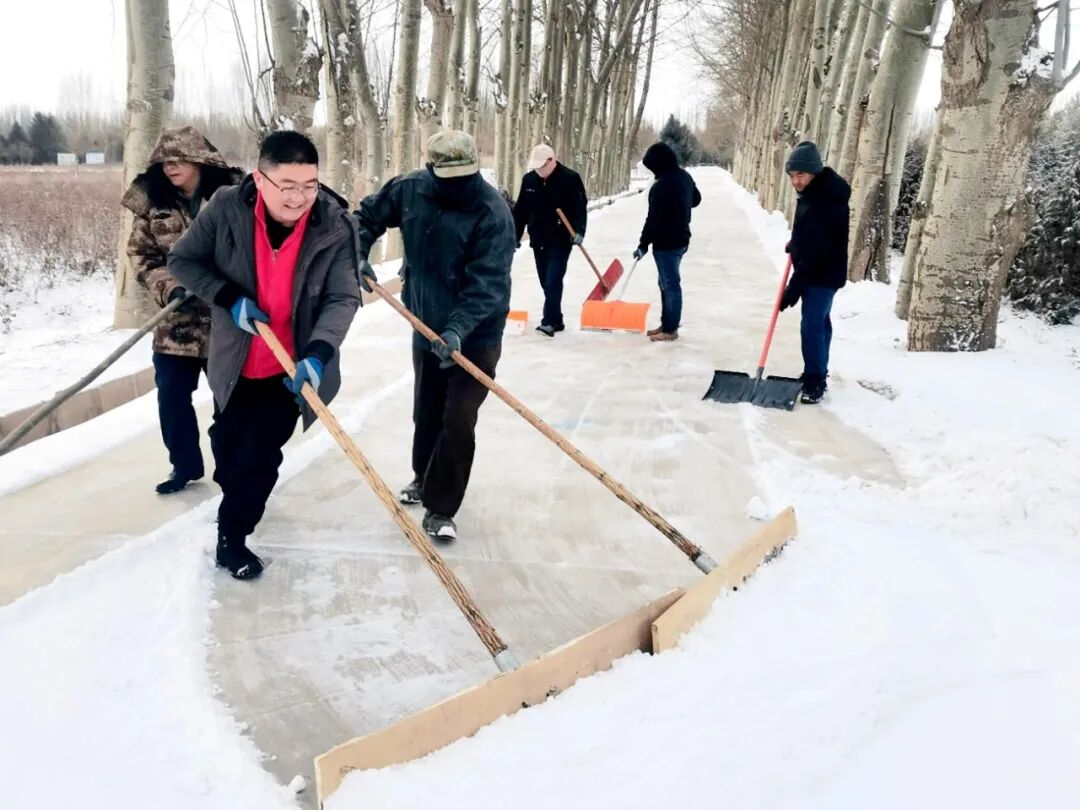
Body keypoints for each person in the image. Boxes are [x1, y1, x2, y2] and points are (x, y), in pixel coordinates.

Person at [168, 131, 365, 579]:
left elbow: (343, 297)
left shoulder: (335, 224)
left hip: (292, 367)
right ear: (260, 179)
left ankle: (232, 538)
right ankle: (237, 494)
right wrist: (227, 297)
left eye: (309, 185)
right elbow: (183, 260)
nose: (299, 198)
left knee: (259, 457)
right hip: (234, 362)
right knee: (229, 448)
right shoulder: (226, 208)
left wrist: (318, 353)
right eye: (287, 186)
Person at [352, 130, 514, 542]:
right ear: (432, 170)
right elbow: (365, 217)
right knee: (427, 411)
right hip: (425, 323)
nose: (458, 187)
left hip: (476, 335)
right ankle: (423, 478)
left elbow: (488, 284)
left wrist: (457, 329)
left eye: (465, 177)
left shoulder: (492, 212)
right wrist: (358, 252)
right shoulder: (410, 190)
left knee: (458, 418)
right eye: (449, 179)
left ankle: (441, 507)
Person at [120, 126, 243, 495]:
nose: (170, 167)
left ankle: (233, 469)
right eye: (164, 162)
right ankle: (184, 464)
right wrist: (169, 285)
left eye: (178, 160)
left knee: (230, 399)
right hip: (177, 321)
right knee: (171, 395)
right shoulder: (154, 205)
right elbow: (142, 256)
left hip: (226, 318)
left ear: (200, 161)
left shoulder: (232, 198)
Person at [779, 140, 850, 405]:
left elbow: (818, 248)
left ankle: (815, 380)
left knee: (811, 325)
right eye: (791, 175)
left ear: (814, 171)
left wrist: (793, 289)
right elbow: (810, 233)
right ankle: (818, 370)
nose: (795, 181)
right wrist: (796, 244)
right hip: (818, 268)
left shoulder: (825, 199)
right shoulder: (815, 191)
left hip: (822, 272)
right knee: (819, 322)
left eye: (800, 174)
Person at [512, 143, 588, 338]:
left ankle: (550, 321)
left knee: (553, 279)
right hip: (538, 238)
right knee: (545, 280)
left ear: (552, 160)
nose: (539, 171)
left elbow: (580, 208)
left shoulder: (570, 179)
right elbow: (520, 212)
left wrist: (579, 231)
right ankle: (557, 319)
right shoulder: (529, 180)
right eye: (536, 167)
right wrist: (514, 237)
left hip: (561, 239)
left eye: (542, 167)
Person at [633, 141, 701, 342]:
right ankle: (667, 323)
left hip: (666, 243)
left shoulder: (661, 186)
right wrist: (680, 204)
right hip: (682, 239)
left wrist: (643, 244)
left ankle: (670, 329)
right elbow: (696, 199)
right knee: (666, 283)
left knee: (670, 285)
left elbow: (653, 219)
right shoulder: (684, 176)